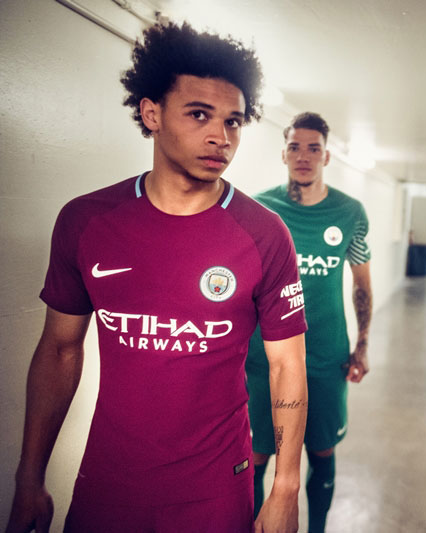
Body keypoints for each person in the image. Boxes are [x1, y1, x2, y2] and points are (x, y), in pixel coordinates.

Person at [6, 22, 308, 533]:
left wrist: (284, 488)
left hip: (216, 487)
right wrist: (29, 477)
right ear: (152, 114)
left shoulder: (264, 234)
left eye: (233, 122)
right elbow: (59, 350)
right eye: (199, 114)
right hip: (108, 482)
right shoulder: (86, 222)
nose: (220, 137)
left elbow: (286, 366)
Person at [246, 112, 372, 532]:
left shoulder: (350, 212)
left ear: (327, 156)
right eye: (295, 147)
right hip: (264, 358)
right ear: (283, 154)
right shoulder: (259, 209)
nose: (304, 156)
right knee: (257, 455)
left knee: (321, 450)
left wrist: (362, 345)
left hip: (325, 356)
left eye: (313, 148)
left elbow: (361, 285)